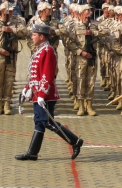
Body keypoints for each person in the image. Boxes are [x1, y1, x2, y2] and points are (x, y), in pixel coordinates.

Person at [15, 24, 83, 161]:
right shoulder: (40, 50)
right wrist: (27, 87)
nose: (32, 37)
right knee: (40, 122)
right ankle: (32, 153)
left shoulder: (48, 50)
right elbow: (35, 74)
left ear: (41, 37)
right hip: (38, 92)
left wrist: (42, 94)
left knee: (47, 122)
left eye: (34, 35)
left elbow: (47, 74)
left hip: (45, 94)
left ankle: (75, 141)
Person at [0, 2, 28, 115]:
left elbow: (25, 32)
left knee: (9, 81)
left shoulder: (16, 22)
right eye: (9, 10)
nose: (11, 12)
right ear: (3, 11)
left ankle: (7, 103)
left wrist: (11, 30)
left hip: (11, 56)